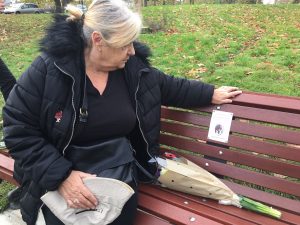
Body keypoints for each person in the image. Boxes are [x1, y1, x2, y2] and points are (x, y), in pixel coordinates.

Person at [2, 0, 242, 225]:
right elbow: (18, 129)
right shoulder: (50, 70)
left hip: (120, 180)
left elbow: (169, 86)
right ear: (98, 40)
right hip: (62, 180)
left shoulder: (133, 71)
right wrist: (62, 177)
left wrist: (210, 93)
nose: (132, 51)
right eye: (125, 44)